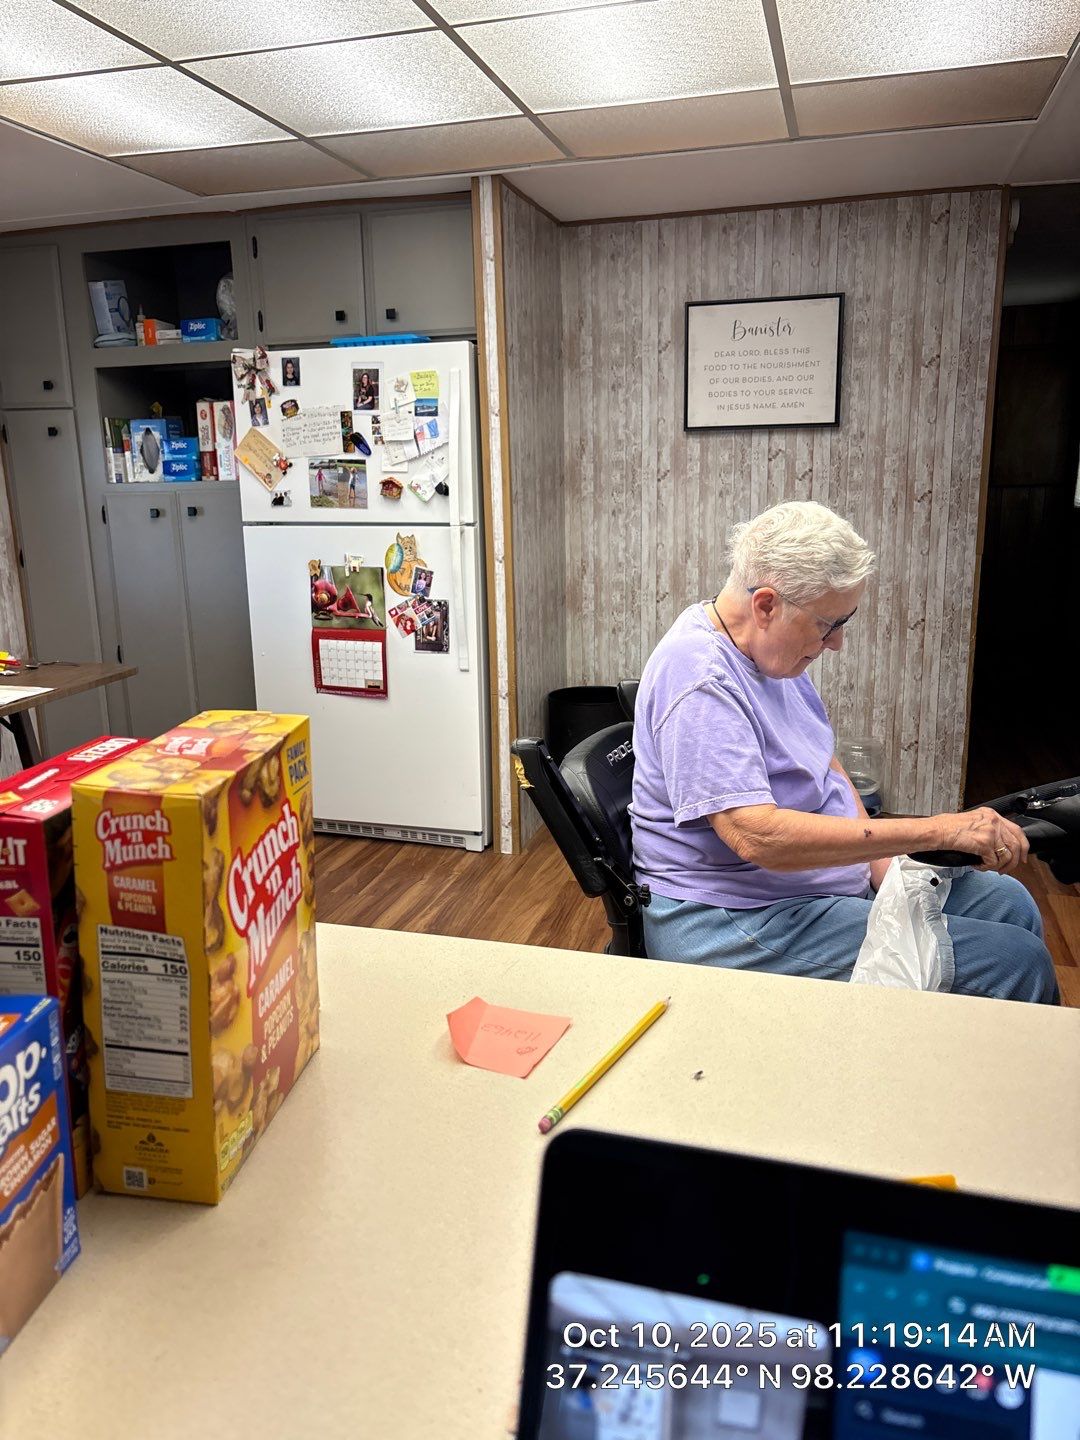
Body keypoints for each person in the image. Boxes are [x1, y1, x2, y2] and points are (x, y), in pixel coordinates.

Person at [630, 500, 1058, 1004]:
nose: (836, 643)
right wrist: (939, 830)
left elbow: (824, 762)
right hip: (732, 918)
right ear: (766, 605)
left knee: (1010, 904)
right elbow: (756, 837)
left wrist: (881, 863)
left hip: (800, 888)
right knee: (1014, 961)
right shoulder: (700, 679)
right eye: (828, 624)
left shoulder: (771, 659)